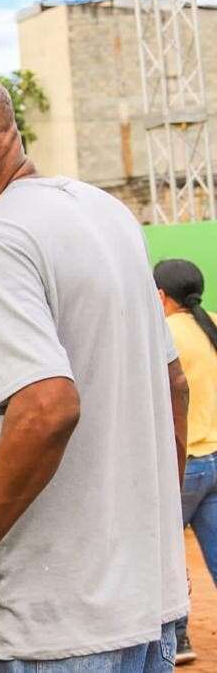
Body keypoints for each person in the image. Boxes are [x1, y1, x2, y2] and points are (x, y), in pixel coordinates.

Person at [0, 65, 189, 671]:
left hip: (48, 628)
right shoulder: (107, 214)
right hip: (146, 608)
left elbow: (47, 406)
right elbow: (173, 384)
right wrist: (142, 527)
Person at [155, 259, 217, 665]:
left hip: (184, 463)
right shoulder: (211, 324)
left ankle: (179, 640)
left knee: (163, 556)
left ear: (161, 296)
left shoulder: (165, 333)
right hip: (215, 458)